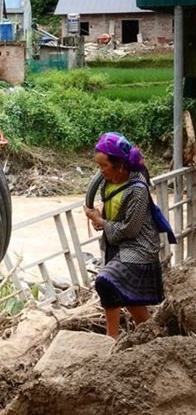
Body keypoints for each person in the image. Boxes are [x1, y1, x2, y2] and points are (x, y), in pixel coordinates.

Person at [84, 132, 164, 339]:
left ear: (120, 165)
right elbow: (114, 213)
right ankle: (150, 336)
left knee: (106, 281)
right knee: (127, 297)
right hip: (117, 245)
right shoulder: (108, 182)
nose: (101, 171)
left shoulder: (138, 189)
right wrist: (100, 220)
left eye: (104, 166)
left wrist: (101, 222)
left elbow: (130, 229)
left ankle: (115, 339)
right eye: (99, 166)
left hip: (139, 248)